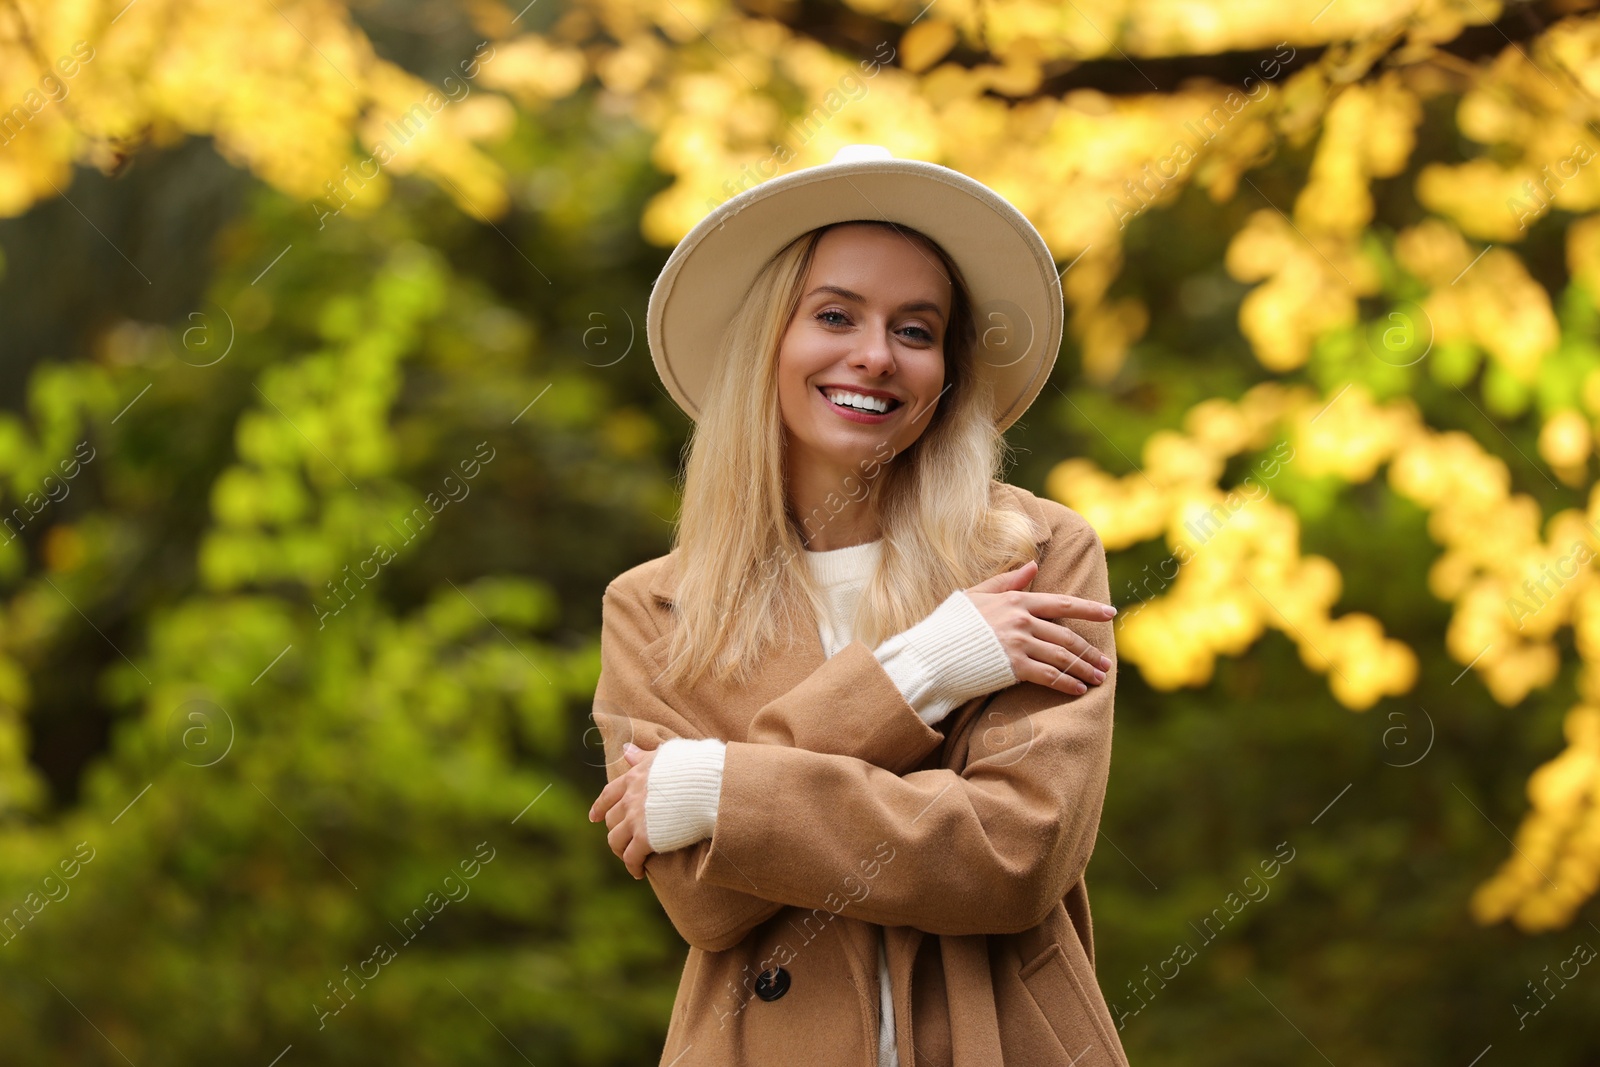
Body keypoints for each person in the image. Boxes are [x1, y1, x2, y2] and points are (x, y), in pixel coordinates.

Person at [588, 144, 1129, 1066]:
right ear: (768, 341)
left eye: (916, 331)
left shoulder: (1036, 556)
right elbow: (708, 904)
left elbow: (1011, 856)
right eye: (835, 314)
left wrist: (718, 786)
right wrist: (929, 669)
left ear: (947, 371)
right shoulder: (656, 607)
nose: (875, 356)